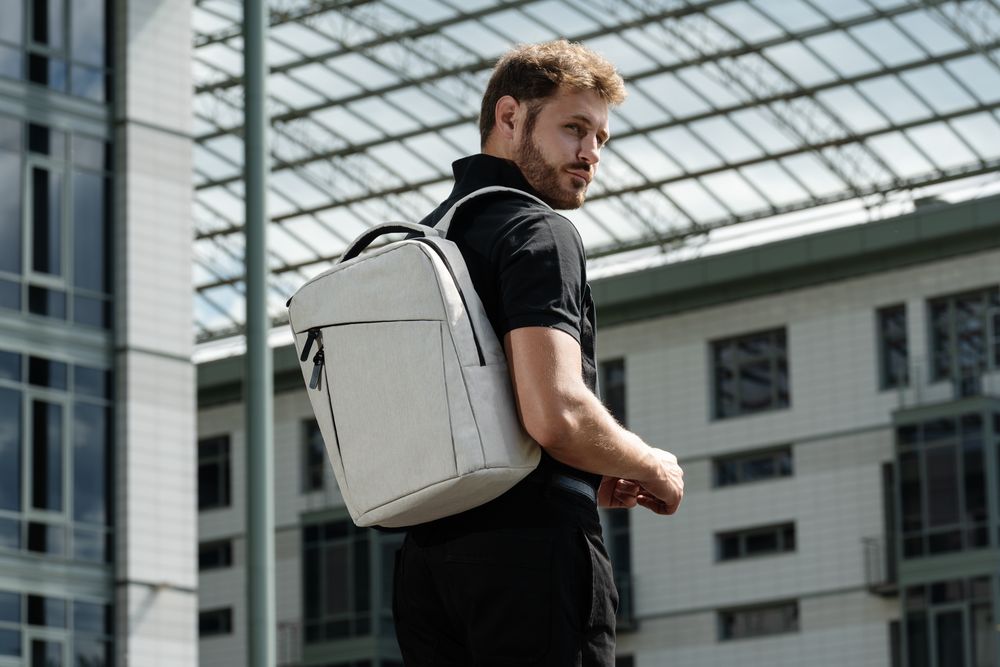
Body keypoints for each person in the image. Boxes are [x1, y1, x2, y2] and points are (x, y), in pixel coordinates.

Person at [392, 40, 685, 666]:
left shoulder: (426, 241)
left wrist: (583, 470)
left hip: (426, 562)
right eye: (573, 128)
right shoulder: (537, 231)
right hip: (531, 556)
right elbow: (558, 415)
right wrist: (649, 463)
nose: (591, 153)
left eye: (601, 138)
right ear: (509, 117)